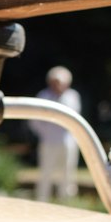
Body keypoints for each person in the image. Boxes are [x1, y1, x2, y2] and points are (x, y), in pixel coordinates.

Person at [30, 66, 82, 201]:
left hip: (68, 141)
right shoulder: (43, 96)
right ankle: (42, 199)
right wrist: (45, 133)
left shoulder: (72, 96)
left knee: (68, 171)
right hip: (48, 141)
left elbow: (75, 118)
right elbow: (34, 121)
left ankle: (66, 199)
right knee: (46, 171)